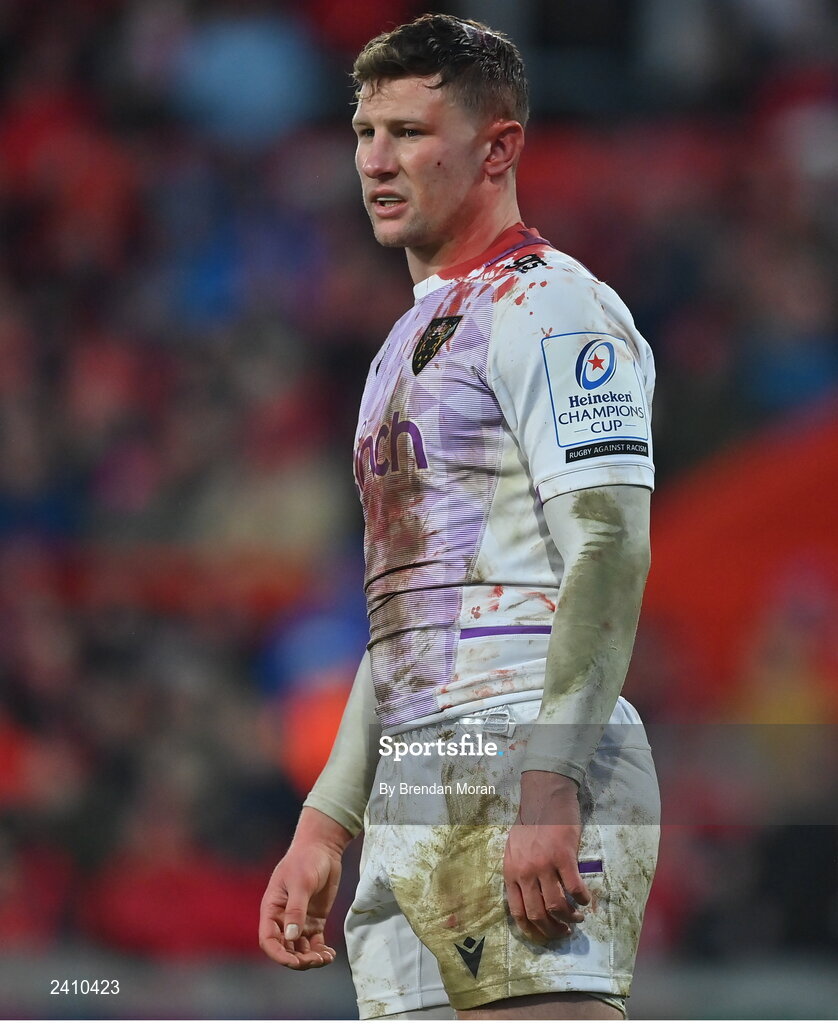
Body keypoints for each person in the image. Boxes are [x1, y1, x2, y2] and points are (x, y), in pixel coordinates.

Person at [260, 14, 659, 1021]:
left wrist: (551, 779)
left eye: (408, 132)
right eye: (365, 133)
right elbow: (410, 613)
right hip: (416, 770)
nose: (375, 161)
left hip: (520, 743)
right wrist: (326, 820)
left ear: (497, 148)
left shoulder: (552, 307)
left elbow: (609, 543)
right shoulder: (404, 341)